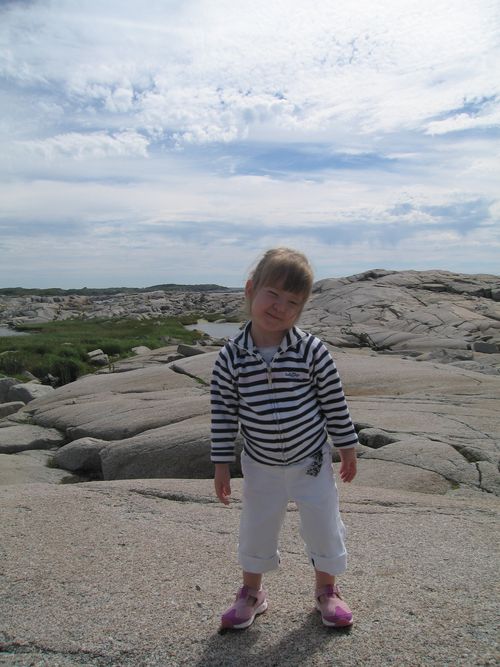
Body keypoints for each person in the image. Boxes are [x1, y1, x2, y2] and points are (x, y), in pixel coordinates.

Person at [210, 248, 358, 630]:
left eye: (292, 301)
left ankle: (327, 591)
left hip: (310, 460)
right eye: (272, 294)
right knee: (257, 525)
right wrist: (221, 464)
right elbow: (224, 414)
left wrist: (347, 447)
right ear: (250, 290)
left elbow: (334, 402)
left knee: (323, 523)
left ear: (301, 308)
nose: (279, 307)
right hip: (260, 464)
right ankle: (251, 593)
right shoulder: (230, 357)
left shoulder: (311, 350)